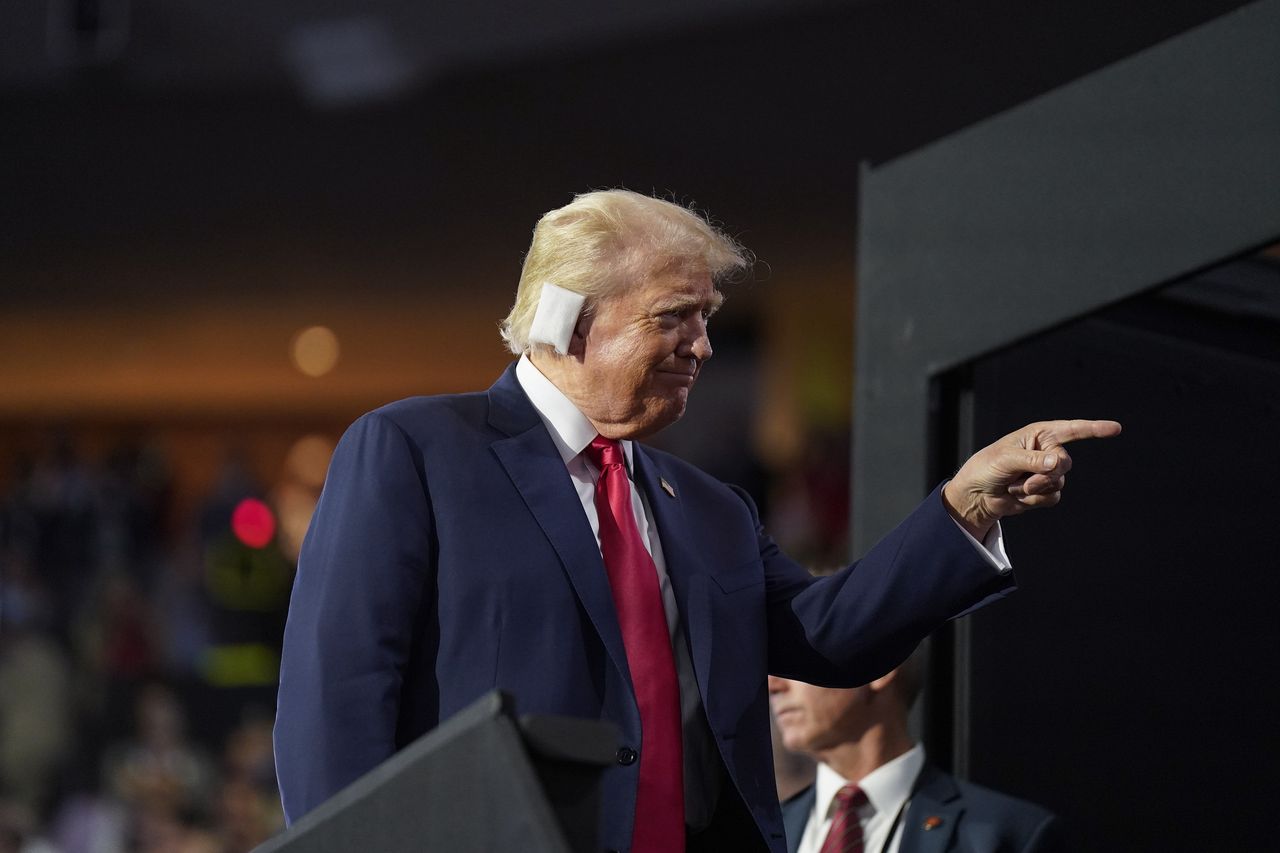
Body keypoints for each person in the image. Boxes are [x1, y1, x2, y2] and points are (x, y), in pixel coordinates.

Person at [273, 189, 1119, 852]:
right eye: (672, 316)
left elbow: (830, 637)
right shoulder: (416, 452)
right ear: (565, 319)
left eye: (707, 319)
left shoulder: (709, 507)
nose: (703, 346)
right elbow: (337, 702)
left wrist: (966, 501)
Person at [770, 649, 1060, 853]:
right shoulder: (755, 832)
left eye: (800, 659)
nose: (773, 684)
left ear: (879, 668)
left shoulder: (1008, 835)